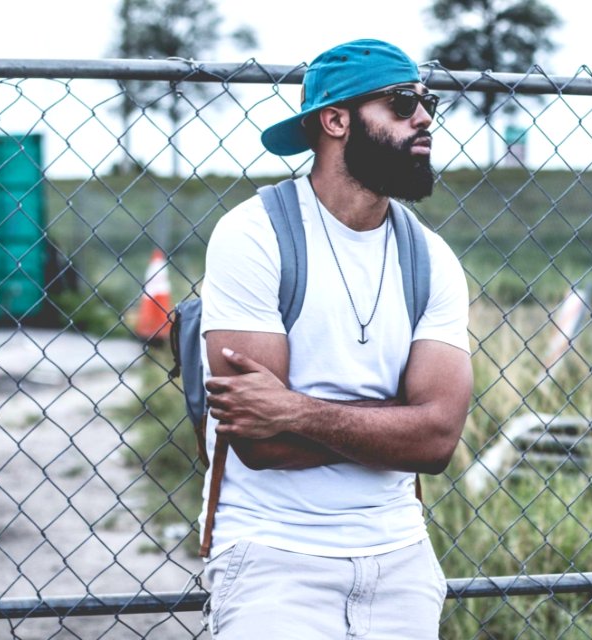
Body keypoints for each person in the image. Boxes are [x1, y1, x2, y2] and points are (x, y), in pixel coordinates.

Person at [197, 39, 472, 639]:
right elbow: (258, 445)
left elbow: (437, 441)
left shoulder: (431, 258)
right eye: (402, 103)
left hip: (401, 557)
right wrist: (396, 424)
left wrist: (294, 409)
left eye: (429, 102)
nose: (424, 117)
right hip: (273, 557)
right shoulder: (255, 235)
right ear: (336, 119)